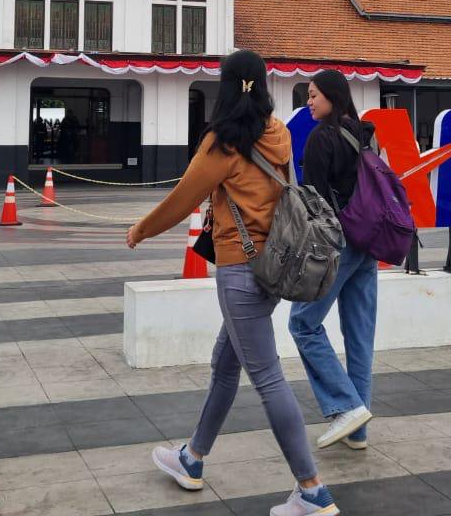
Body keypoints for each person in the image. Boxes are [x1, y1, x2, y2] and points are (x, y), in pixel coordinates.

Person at [127, 50, 339, 516]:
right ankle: (192, 457)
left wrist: (141, 229)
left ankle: (311, 490)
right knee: (225, 364)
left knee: (267, 377)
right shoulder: (278, 133)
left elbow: (182, 199)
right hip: (274, 268)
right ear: (262, 85)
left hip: (240, 271)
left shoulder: (222, 143)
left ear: (225, 88)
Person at [288, 70, 377, 451]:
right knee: (359, 338)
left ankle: (346, 407)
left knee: (302, 324)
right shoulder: (365, 133)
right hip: (369, 242)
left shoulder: (321, 137)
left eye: (313, 95)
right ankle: (357, 432)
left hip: (339, 244)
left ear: (332, 96)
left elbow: (315, 203)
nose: (308, 102)